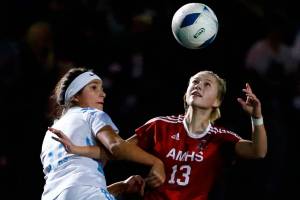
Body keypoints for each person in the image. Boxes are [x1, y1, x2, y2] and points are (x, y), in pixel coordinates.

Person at [50, 70, 267, 200]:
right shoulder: (160, 125)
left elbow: (258, 152)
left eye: (207, 84)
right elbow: (116, 150)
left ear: (217, 101)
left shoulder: (220, 137)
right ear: (186, 92)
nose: (198, 86)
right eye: (195, 82)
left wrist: (256, 117)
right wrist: (119, 185)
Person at [40, 67, 166, 200]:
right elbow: (116, 145)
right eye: (94, 87)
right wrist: (155, 162)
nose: (103, 94)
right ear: (75, 96)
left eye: (102, 89)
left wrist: (122, 187)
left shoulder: (49, 135)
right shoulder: (91, 114)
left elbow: (74, 189)